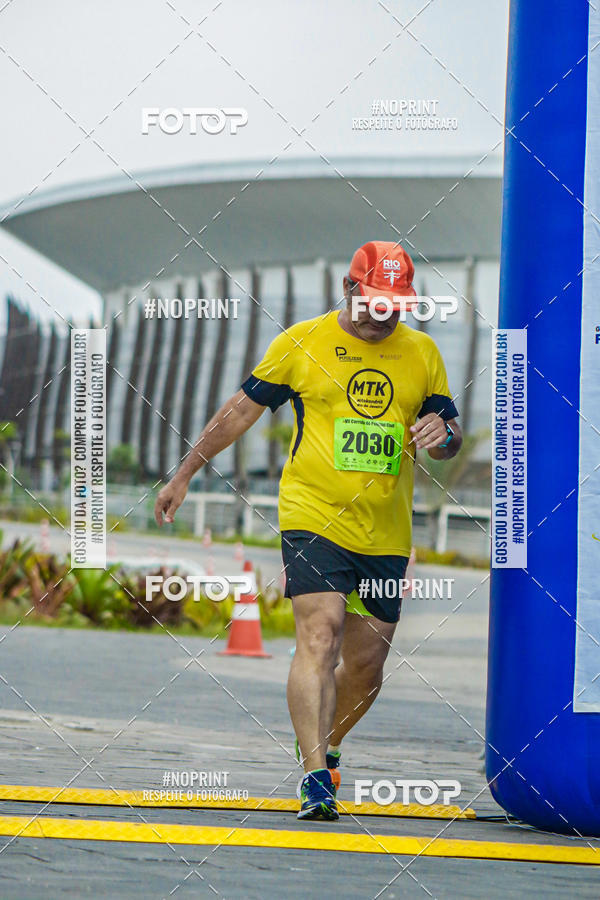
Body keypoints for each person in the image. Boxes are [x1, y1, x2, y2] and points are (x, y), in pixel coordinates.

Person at [154, 240, 462, 821]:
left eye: (395, 305)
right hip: (312, 513)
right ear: (349, 289)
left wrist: (440, 436)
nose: (383, 314)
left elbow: (449, 438)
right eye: (374, 302)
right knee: (319, 635)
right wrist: (186, 472)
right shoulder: (300, 343)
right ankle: (316, 777)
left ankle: (326, 740)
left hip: (385, 531)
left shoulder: (422, 353)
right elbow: (239, 412)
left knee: (367, 667)